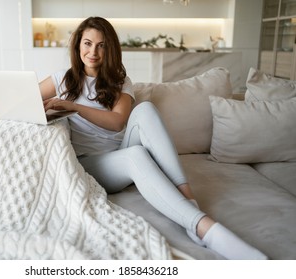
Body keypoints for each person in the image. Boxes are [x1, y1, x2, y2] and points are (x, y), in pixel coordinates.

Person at [39, 16, 267, 260]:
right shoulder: (61, 78)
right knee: (135, 155)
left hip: (118, 152)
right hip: (89, 163)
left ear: (110, 49)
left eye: (101, 45)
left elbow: (117, 121)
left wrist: (73, 107)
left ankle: (188, 199)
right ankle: (204, 227)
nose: (93, 51)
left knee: (145, 110)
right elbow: (25, 101)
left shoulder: (119, 81)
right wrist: (47, 108)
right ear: (78, 46)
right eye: (87, 43)